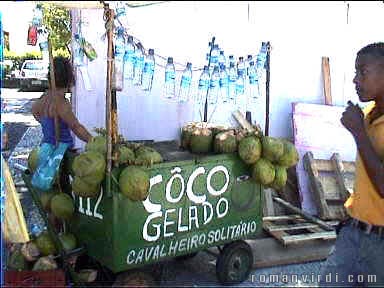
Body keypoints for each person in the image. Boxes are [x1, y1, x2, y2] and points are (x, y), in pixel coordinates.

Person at [319, 43, 384, 287]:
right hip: (353, 232)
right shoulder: (368, 114)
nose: (356, 80)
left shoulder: (362, 123)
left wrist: (358, 133)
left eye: (362, 72)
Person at [32, 56, 92, 148]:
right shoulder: (61, 103)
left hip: (45, 149)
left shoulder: (43, 99)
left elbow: (34, 111)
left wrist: (48, 125)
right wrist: (92, 141)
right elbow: (76, 127)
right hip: (61, 153)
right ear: (69, 78)